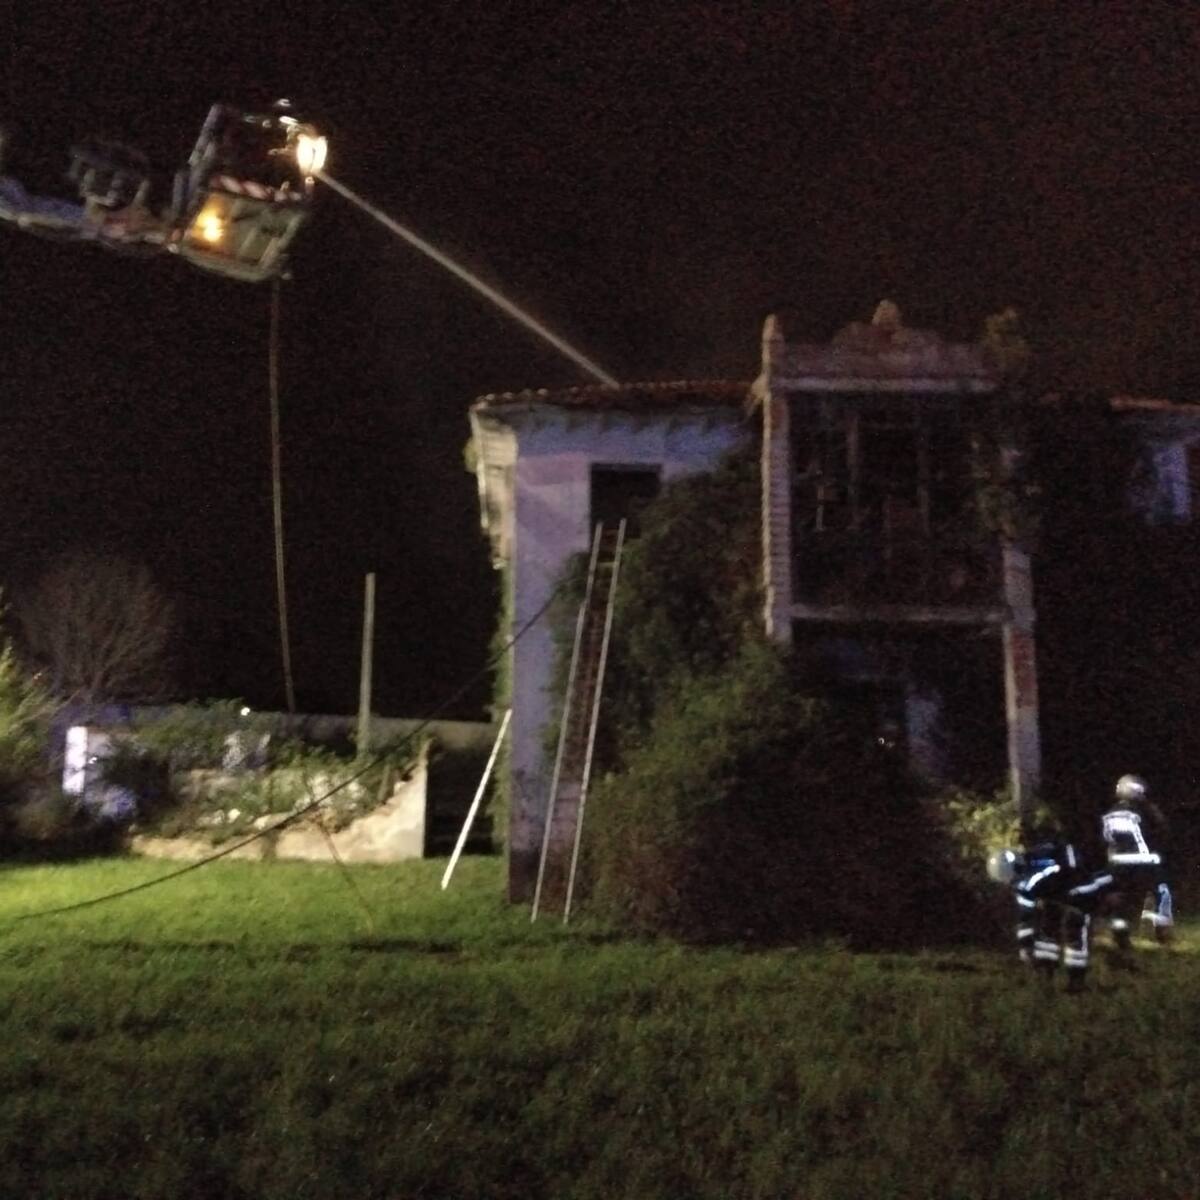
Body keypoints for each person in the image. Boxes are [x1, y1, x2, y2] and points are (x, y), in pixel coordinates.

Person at [990, 838, 1115, 993]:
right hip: (1061, 895)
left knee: (1074, 928)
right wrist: (1025, 945)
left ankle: (1076, 981)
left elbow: (1072, 862)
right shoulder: (1025, 884)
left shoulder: (1043, 861)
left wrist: (1074, 879)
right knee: (1047, 928)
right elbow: (1025, 916)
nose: (1014, 883)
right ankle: (1045, 971)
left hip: (1083, 888)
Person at [1101, 774, 1173, 945]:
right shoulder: (1144, 810)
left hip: (1117, 862)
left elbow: (1106, 838)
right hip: (1144, 861)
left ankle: (1120, 935)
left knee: (1119, 899)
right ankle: (1161, 931)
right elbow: (1162, 830)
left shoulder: (1110, 813)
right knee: (1162, 892)